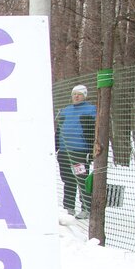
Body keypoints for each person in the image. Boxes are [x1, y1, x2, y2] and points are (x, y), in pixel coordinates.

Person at [55, 84, 96, 219]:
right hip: (64, 153)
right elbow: (58, 131)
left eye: (79, 94)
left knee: (81, 179)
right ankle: (68, 207)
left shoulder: (91, 110)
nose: (76, 96)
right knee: (68, 180)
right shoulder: (65, 111)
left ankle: (86, 208)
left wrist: (91, 151)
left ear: (85, 96)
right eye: (74, 94)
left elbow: (94, 132)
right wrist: (56, 147)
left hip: (80, 153)